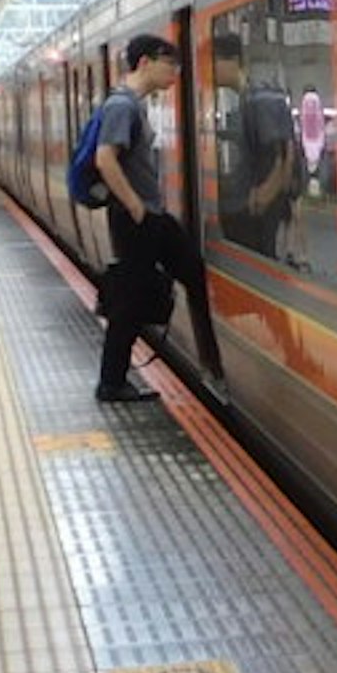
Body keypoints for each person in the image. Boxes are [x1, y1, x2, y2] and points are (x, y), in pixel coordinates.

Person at [87, 32, 227, 403]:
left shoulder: (134, 104)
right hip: (137, 217)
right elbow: (105, 158)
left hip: (148, 215)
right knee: (131, 300)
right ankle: (111, 382)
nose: (175, 74)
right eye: (171, 65)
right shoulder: (123, 106)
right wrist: (135, 206)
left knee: (189, 270)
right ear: (145, 62)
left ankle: (211, 363)